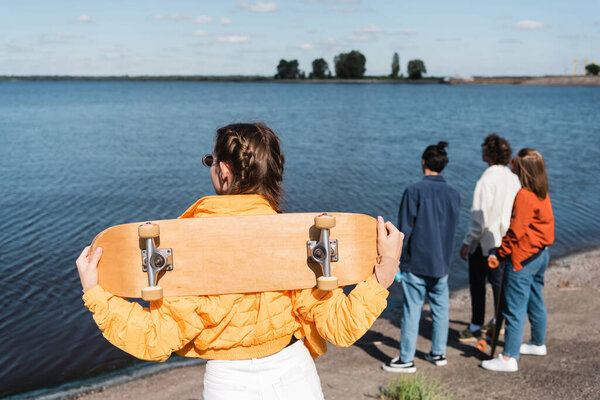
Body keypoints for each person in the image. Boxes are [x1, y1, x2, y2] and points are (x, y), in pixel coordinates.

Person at [77, 122, 404, 400]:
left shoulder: (187, 244)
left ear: (223, 171)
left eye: (210, 161)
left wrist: (97, 296)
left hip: (229, 384)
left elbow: (155, 338)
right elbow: (340, 328)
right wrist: (383, 274)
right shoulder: (299, 240)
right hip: (295, 375)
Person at [382, 142, 460, 373]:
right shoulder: (453, 194)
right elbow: (451, 229)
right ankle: (438, 353)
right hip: (441, 263)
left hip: (416, 262)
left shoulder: (414, 191)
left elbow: (404, 230)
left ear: (424, 162)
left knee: (412, 309)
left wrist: (398, 261)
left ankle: (406, 359)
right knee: (440, 308)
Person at [481, 148, 554, 372]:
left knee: (513, 308)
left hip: (522, 260)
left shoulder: (524, 195)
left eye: (515, 164)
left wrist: (499, 252)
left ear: (523, 170)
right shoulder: (542, 191)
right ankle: (537, 343)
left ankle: (508, 357)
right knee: (534, 298)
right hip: (540, 254)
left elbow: (515, 232)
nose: (511, 165)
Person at [458, 134, 521, 342]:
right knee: (499, 285)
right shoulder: (514, 178)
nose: (481, 151)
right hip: (505, 240)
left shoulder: (486, 179)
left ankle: (476, 324)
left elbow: (479, 217)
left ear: (489, 153)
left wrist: (468, 241)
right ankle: (498, 321)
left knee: (477, 285)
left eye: (484, 148)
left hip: (485, 242)